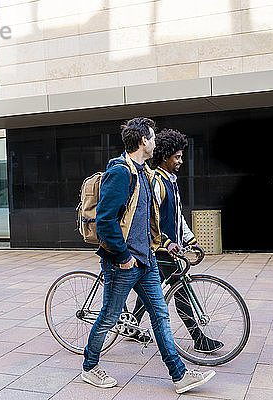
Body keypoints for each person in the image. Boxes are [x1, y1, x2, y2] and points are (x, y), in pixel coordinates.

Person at [81, 117, 215, 394]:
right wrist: (122, 257)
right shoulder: (120, 172)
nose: (155, 142)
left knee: (161, 316)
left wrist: (164, 243)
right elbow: (106, 221)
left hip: (147, 260)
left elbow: (146, 221)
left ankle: (179, 375)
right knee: (109, 315)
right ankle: (90, 367)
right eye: (153, 138)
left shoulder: (142, 172)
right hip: (124, 263)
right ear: (144, 141)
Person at [131, 128, 224, 353]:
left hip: (167, 250)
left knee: (149, 290)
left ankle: (132, 324)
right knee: (180, 290)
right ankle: (198, 338)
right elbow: (146, 218)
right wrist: (165, 241)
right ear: (165, 156)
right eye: (177, 157)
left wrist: (190, 240)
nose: (181, 161)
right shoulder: (156, 182)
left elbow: (177, 216)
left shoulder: (171, 182)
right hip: (159, 249)